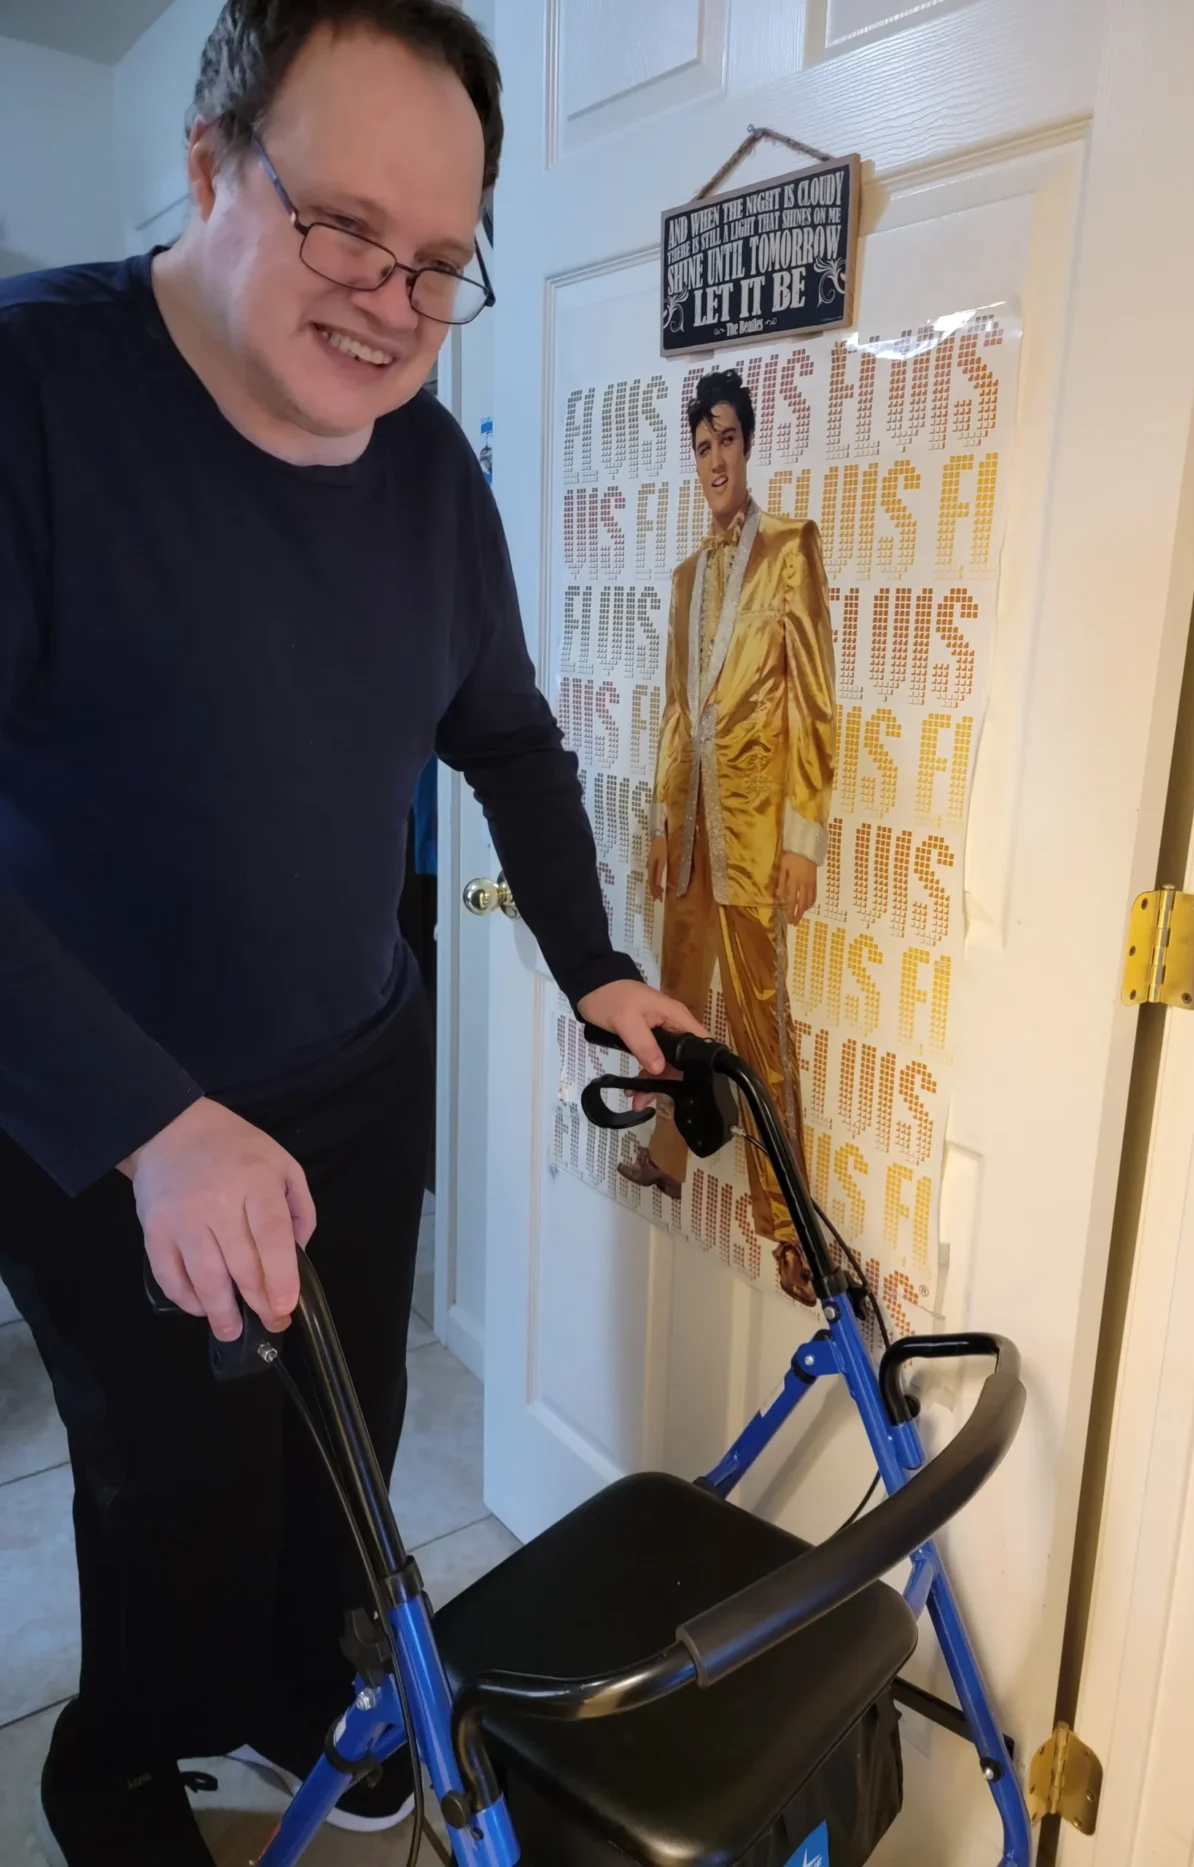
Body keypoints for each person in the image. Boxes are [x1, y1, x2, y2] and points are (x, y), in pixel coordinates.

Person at [0, 4, 701, 1861]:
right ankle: (121, 1765)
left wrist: (596, 965)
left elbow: (512, 744)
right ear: (215, 164)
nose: (391, 300)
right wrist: (154, 1126)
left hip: (358, 1064)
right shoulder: (30, 399)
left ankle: (303, 1687)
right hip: (97, 1104)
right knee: (170, 1476)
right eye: (344, 231)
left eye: (439, 263)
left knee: (347, 1429)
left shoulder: (431, 475)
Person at [617, 371, 837, 1306]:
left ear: (748, 447)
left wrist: (802, 839)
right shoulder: (684, 578)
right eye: (700, 447)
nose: (714, 461)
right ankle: (668, 1152)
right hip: (697, 830)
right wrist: (665, 824)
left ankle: (787, 1222)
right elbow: (677, 710)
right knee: (676, 1003)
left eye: (726, 442)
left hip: (754, 833)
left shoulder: (789, 549)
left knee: (757, 1021)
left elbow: (816, 697)